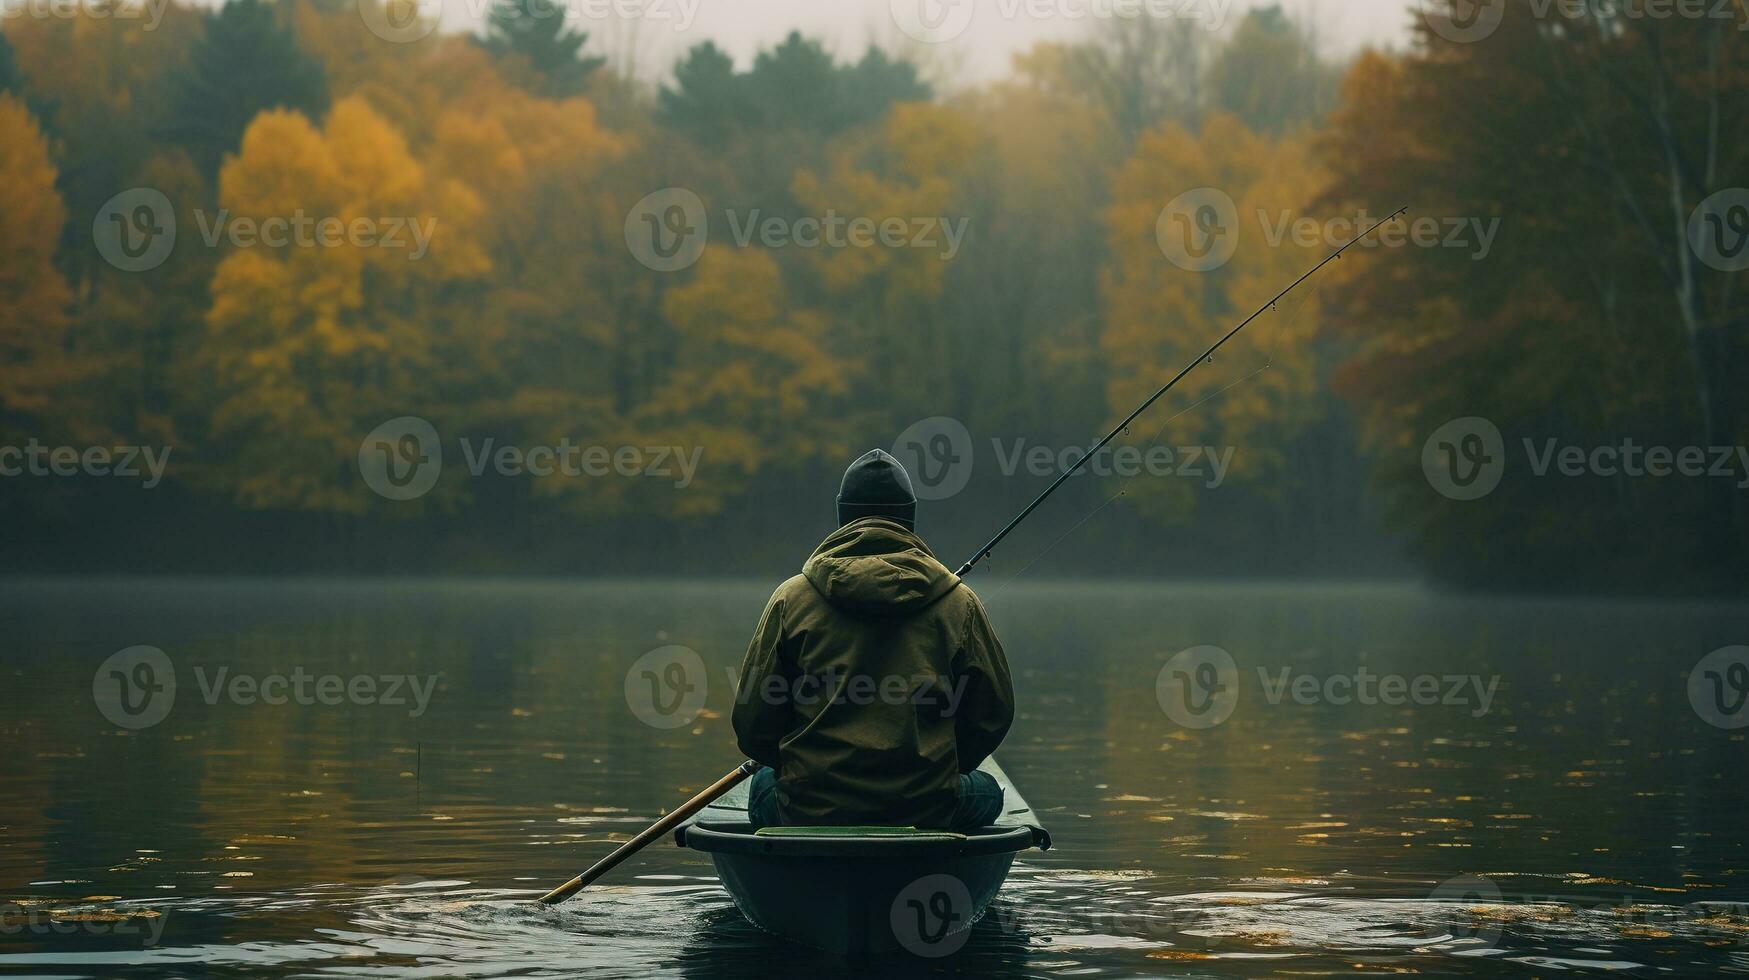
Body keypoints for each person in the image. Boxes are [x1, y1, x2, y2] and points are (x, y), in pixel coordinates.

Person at [732, 449, 1015, 831]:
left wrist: (794, 766)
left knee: (763, 782)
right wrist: (942, 768)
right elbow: (992, 714)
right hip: (926, 806)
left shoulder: (791, 598)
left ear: (843, 515)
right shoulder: (958, 602)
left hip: (810, 806)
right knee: (990, 792)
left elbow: (753, 723)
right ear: (909, 517)